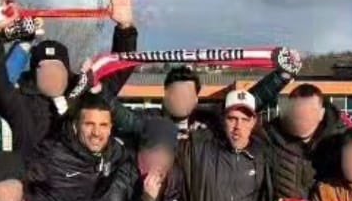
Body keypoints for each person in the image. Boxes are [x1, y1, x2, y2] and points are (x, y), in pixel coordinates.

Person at [0, 0, 137, 157]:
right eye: (44, 69)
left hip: (79, 178)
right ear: (34, 74)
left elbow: (116, 71)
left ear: (67, 72)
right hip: (31, 179)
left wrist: (125, 29)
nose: (51, 76)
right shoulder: (20, 101)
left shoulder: (82, 94)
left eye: (57, 69)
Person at [110, 61, 293, 143]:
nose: (182, 99)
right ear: (165, 95)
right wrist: (97, 91)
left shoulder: (209, 118)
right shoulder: (149, 121)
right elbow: (120, 115)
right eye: (176, 93)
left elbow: (250, 100)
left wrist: (283, 75)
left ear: (196, 97)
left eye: (187, 94)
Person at [117, 117, 184, 201]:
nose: (161, 159)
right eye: (155, 151)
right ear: (141, 151)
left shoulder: (177, 178)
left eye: (167, 153)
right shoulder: (123, 177)